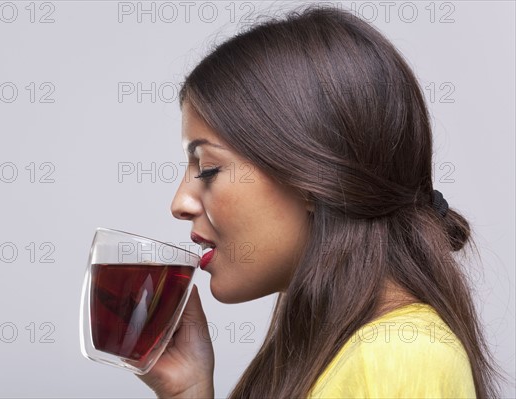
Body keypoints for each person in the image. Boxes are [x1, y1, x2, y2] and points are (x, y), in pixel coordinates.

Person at [138, 5, 502, 398]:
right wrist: (189, 392)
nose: (180, 203)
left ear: (316, 179)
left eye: (208, 168)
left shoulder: (396, 356)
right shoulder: (352, 347)